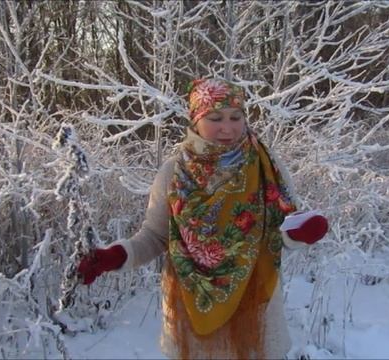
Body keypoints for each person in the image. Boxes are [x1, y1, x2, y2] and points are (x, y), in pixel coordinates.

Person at [77, 78, 328, 359]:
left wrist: (299, 233)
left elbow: (284, 227)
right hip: (191, 305)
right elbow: (155, 236)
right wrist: (115, 256)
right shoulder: (175, 173)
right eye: (215, 117)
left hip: (255, 304)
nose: (228, 127)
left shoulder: (266, 166)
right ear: (195, 120)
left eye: (236, 117)